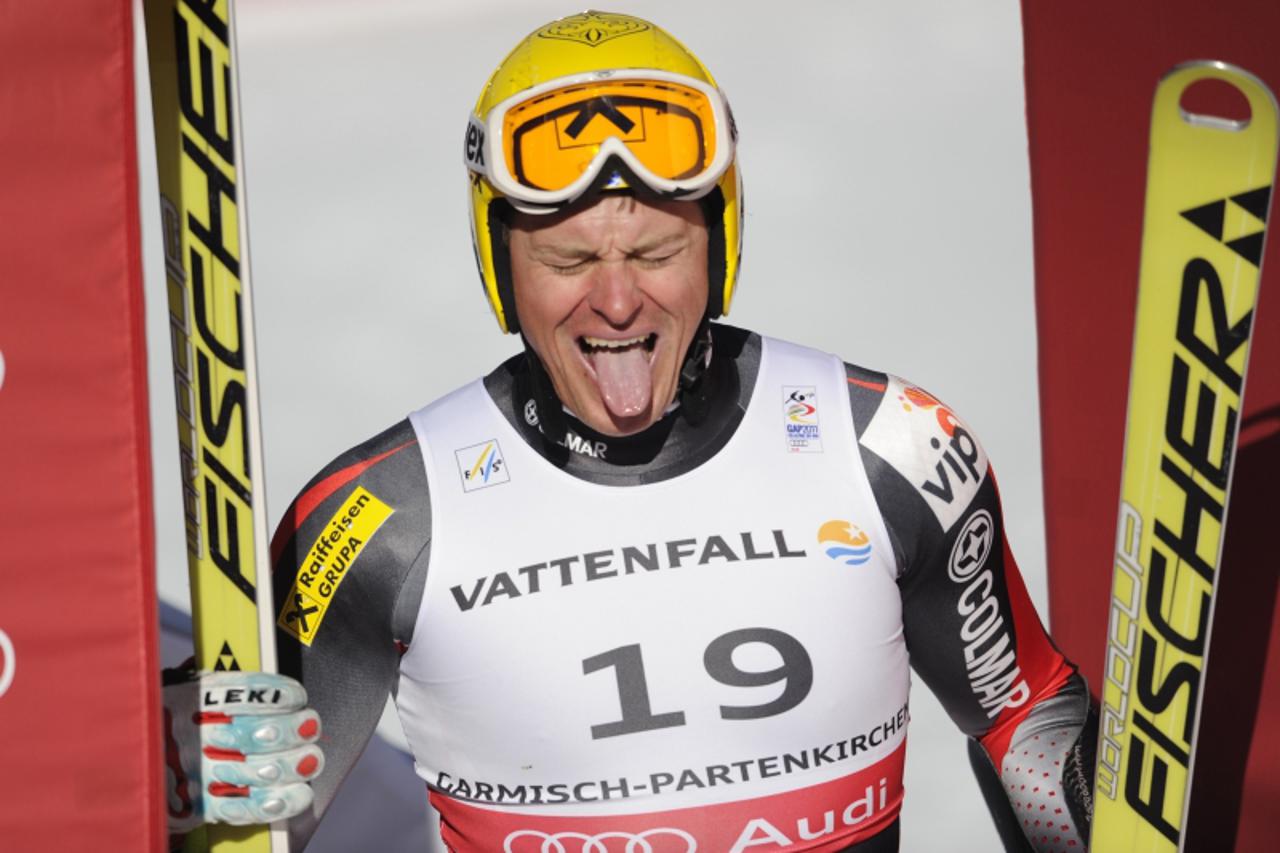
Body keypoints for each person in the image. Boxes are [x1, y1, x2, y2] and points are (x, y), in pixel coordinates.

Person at [164, 11, 1095, 852]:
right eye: (568, 259)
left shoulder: (891, 448)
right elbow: (228, 817)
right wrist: (180, 768)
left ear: (722, 245)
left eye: (657, 251)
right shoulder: (380, 520)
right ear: (499, 265)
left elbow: (1028, 727)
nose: (616, 300)